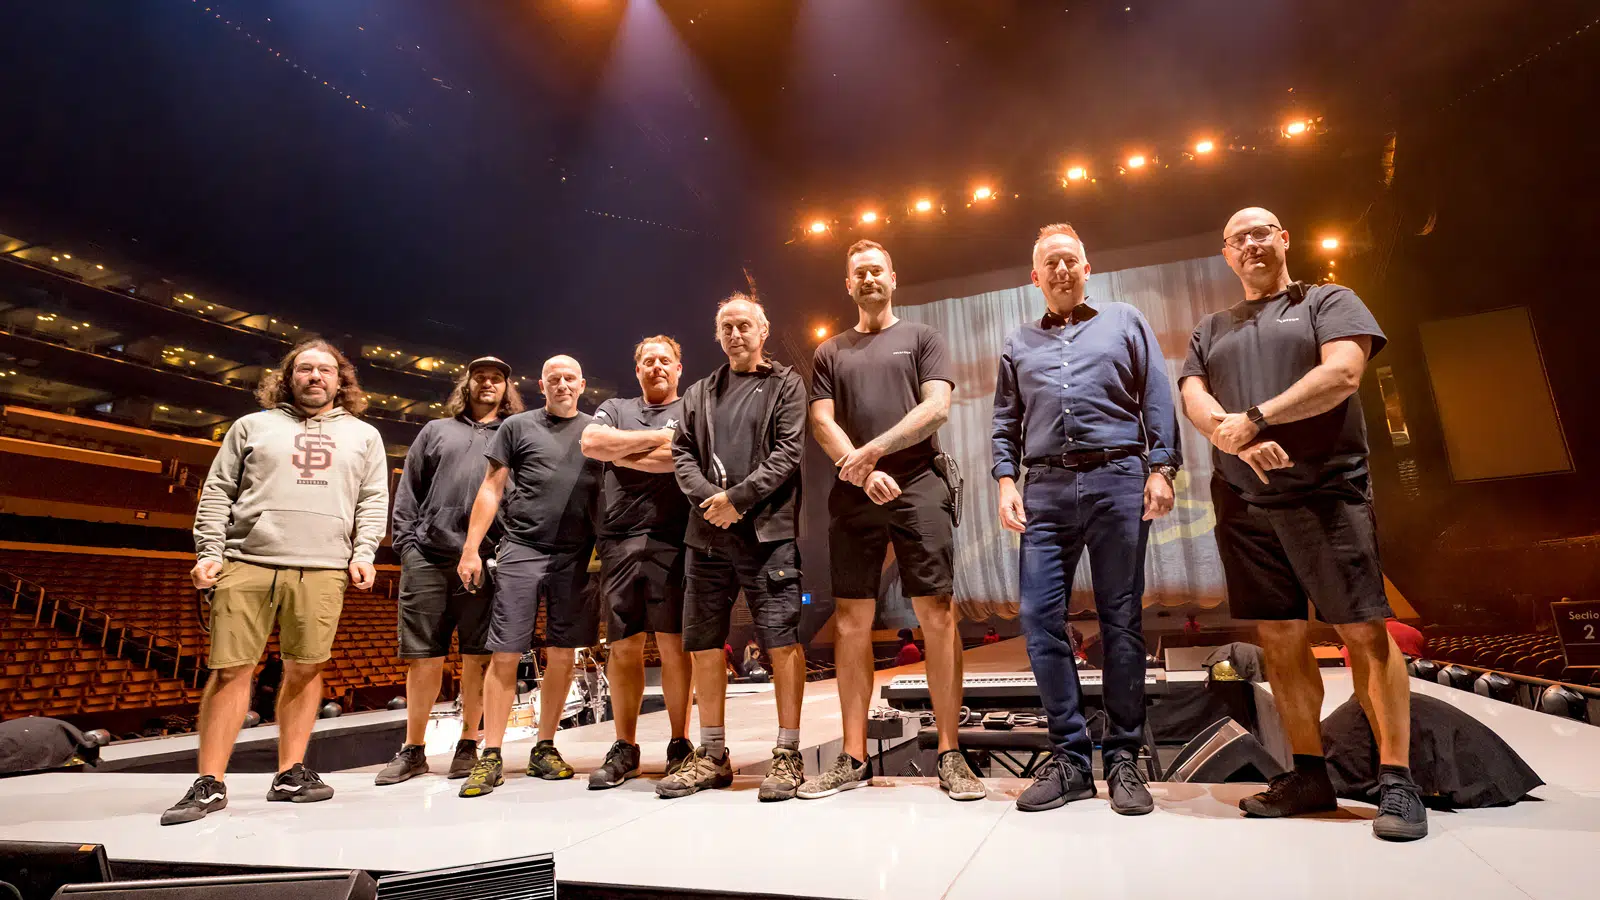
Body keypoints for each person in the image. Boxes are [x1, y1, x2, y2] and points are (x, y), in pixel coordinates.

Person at [1179, 207, 1425, 841]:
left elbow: (1342, 374)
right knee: (1280, 638)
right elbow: (1195, 398)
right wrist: (1234, 439)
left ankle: (1397, 780)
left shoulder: (1328, 300)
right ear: (1226, 254)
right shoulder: (1211, 327)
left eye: (1262, 232)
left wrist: (1256, 419)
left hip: (1326, 492)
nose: (1251, 244)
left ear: (1284, 239)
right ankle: (1309, 776)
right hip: (1243, 501)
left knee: (1363, 632)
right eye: (1238, 238)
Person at [991, 223, 1181, 816]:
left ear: (1086, 267)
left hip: (1118, 478)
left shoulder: (1125, 321)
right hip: (1044, 487)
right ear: (1035, 276)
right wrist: (1005, 480)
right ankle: (1071, 758)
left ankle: (1123, 756)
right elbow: (1005, 421)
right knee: (1037, 617)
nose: (1061, 269)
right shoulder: (1018, 342)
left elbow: (1157, 397)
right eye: (1050, 262)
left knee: (1120, 618)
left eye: (1070, 260)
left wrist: (1162, 468)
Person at [164, 339, 388, 825]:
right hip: (247, 559)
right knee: (231, 670)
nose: (315, 376)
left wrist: (364, 552)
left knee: (306, 668)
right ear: (288, 377)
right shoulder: (251, 426)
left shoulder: (365, 436)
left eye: (325, 370)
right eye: (305, 368)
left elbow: (373, 499)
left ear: (341, 381)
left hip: (324, 564)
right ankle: (210, 782)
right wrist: (209, 551)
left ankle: (290, 773)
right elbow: (218, 491)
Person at [802, 238, 983, 802]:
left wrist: (872, 453)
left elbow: (936, 408)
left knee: (937, 615)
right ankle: (853, 757)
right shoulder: (830, 351)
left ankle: (950, 753)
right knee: (850, 621)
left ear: (893, 278)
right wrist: (860, 472)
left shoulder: (923, 338)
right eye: (859, 272)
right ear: (848, 285)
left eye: (876, 270)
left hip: (919, 482)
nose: (869, 279)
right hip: (854, 488)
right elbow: (821, 422)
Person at [656, 293, 809, 802]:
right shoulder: (698, 393)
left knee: (781, 643)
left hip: (767, 534)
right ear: (717, 335)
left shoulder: (786, 384)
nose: (735, 334)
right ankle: (712, 755)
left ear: (763, 331)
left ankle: (787, 755)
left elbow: (788, 452)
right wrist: (712, 503)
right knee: (703, 645)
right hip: (706, 536)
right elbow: (681, 453)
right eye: (727, 327)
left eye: (744, 325)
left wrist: (737, 501)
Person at [454, 355, 603, 798]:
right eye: (554, 378)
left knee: (563, 653)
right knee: (505, 653)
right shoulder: (516, 427)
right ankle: (492, 754)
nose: (562, 384)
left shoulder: (597, 431)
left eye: (570, 378)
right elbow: (491, 487)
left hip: (576, 555)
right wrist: (470, 548)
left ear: (582, 384)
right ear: (542, 385)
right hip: (522, 549)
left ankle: (545, 747)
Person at [376, 356, 524, 786]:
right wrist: (407, 547)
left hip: (487, 557)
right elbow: (409, 489)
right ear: (467, 384)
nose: (487, 383)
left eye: (496, 378)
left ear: (506, 388)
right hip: (429, 556)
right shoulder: (435, 430)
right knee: (424, 657)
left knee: (478, 657)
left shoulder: (514, 434)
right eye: (480, 377)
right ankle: (413, 749)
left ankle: (468, 744)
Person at [578, 336, 696, 788]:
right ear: (637, 370)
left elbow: (682, 459)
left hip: (674, 538)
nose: (657, 366)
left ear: (679, 368)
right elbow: (592, 442)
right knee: (623, 646)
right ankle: (625, 746)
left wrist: (624, 452)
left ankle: (680, 743)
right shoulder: (615, 407)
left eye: (665, 360)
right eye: (648, 361)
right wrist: (658, 439)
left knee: (673, 645)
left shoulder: (692, 407)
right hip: (619, 539)